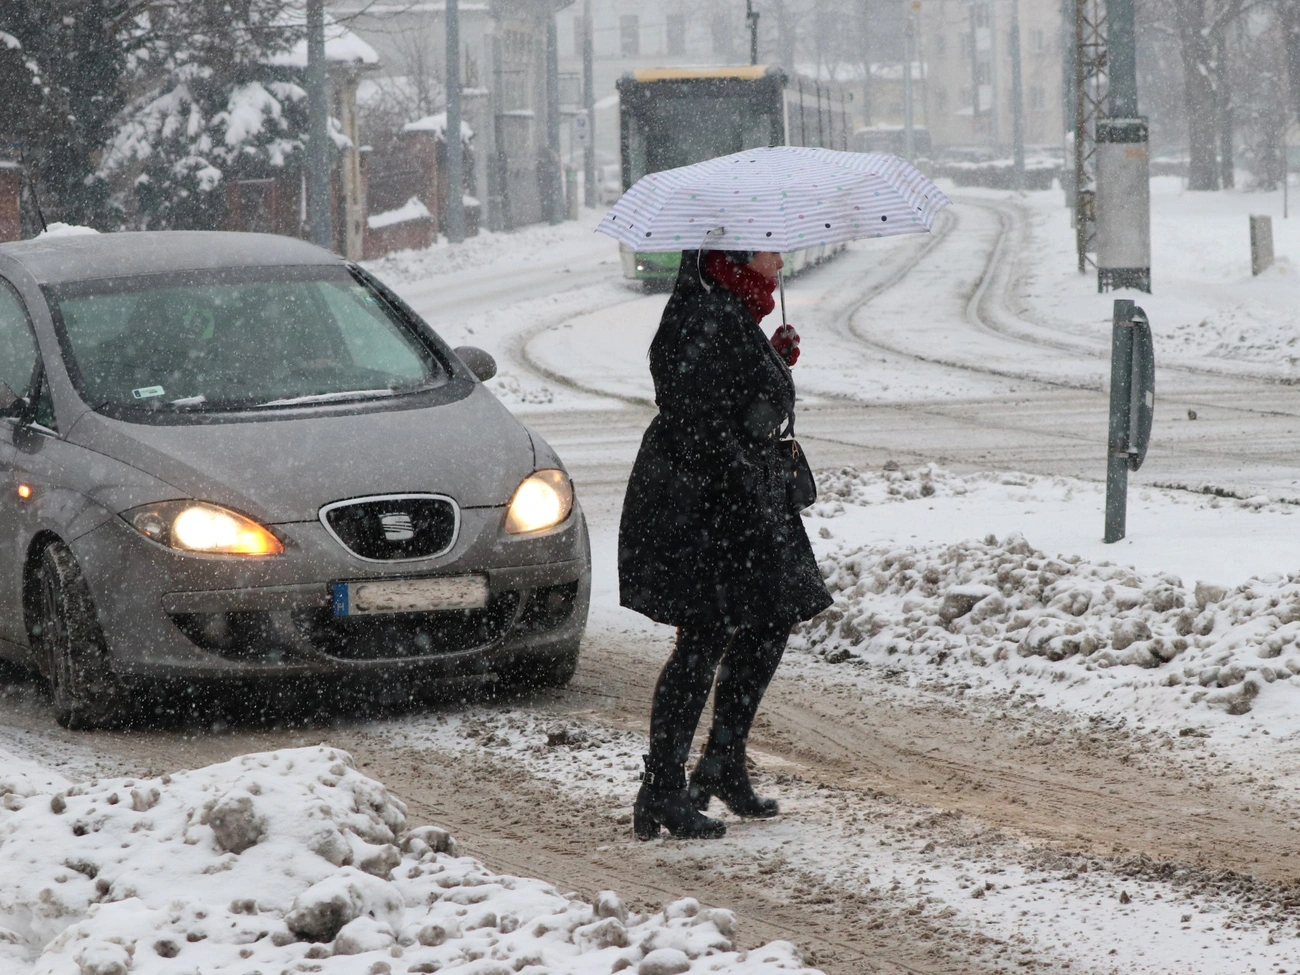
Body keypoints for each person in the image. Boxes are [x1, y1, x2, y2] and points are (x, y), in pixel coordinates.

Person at [618, 248, 833, 841]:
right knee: (704, 636)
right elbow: (692, 411)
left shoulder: (733, 307)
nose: (780, 256)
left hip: (739, 495)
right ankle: (662, 789)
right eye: (769, 246)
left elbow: (733, 389)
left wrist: (771, 360)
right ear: (734, 251)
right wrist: (758, 405)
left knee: (772, 614)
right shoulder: (700, 312)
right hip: (705, 502)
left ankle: (721, 762)